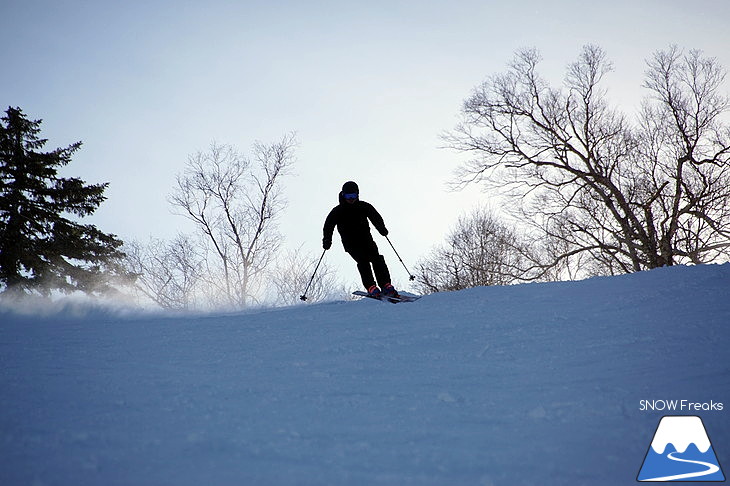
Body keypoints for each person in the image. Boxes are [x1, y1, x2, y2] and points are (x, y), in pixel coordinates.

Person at [323, 181, 399, 298]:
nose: (351, 199)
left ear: (357, 195)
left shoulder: (364, 206)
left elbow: (375, 217)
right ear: (343, 195)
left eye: (353, 196)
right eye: (348, 196)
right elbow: (328, 226)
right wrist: (327, 240)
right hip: (351, 243)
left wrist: (381, 228)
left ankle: (385, 284)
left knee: (377, 258)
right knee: (363, 261)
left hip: (367, 240)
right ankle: (371, 286)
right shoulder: (337, 211)